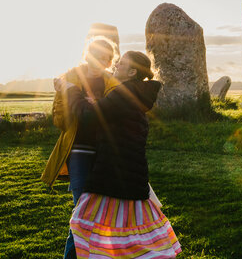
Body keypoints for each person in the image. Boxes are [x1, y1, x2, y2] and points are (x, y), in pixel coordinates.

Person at [56, 51, 181, 258]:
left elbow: (89, 116)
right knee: (119, 229)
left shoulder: (124, 94)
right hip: (128, 172)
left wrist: (72, 91)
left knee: (83, 222)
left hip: (113, 173)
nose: (116, 66)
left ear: (132, 71)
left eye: (122, 64)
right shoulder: (136, 94)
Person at [41, 37, 119, 259]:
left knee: (101, 212)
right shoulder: (70, 78)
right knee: (82, 211)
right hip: (79, 152)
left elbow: (114, 116)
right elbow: (59, 121)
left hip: (105, 152)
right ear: (88, 54)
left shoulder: (111, 83)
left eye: (106, 58)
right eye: (98, 55)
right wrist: (74, 98)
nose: (101, 61)